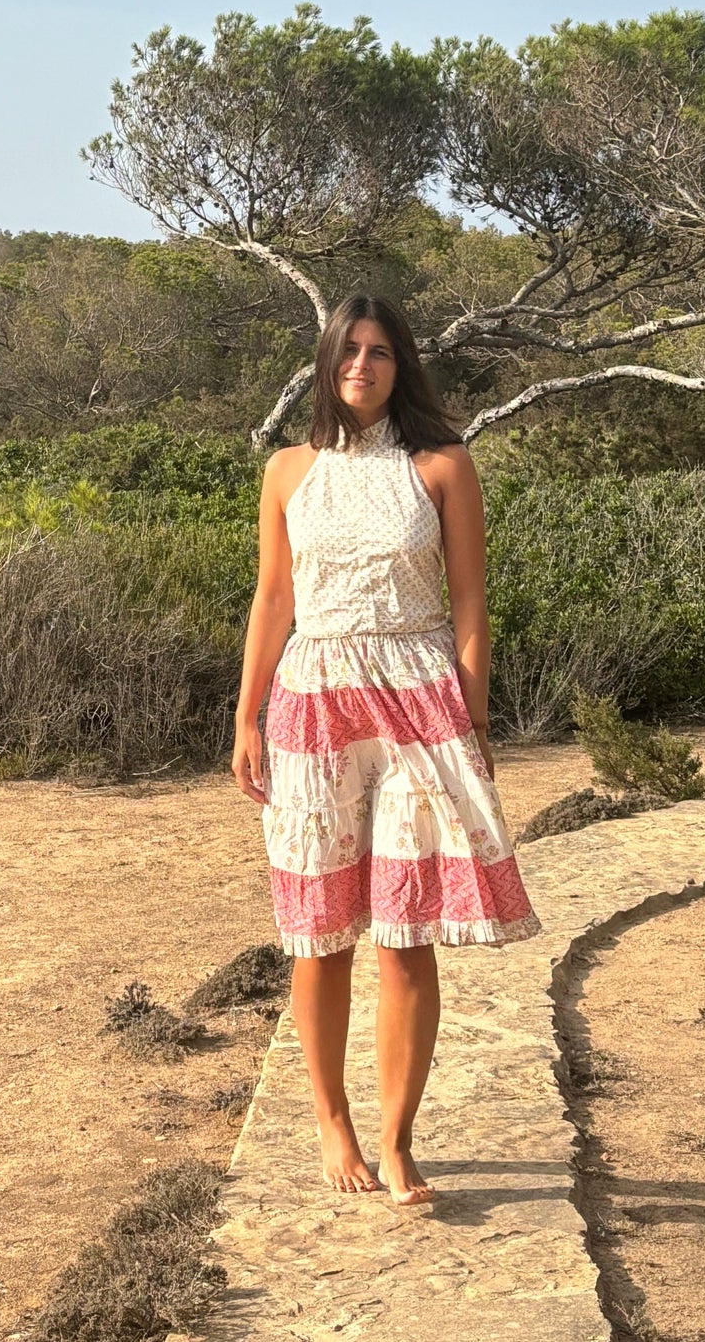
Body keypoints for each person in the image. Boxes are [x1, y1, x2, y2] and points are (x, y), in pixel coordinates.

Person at [231, 294, 541, 1208]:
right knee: (320, 931)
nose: (362, 365)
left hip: (418, 699)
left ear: (402, 364)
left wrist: (473, 728)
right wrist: (245, 717)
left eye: (379, 352)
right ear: (327, 362)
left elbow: (472, 606)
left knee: (408, 930)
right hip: (313, 700)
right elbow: (272, 599)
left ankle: (399, 1139)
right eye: (348, 351)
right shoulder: (289, 469)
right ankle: (333, 1123)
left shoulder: (441, 464)